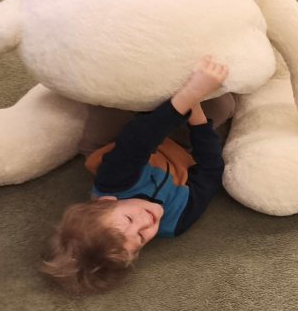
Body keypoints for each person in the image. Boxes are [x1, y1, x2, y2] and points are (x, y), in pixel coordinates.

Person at [41, 57, 231, 294]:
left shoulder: (114, 180)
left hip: (114, 142)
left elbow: (140, 138)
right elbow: (211, 172)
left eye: (129, 219)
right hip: (175, 147)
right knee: (224, 105)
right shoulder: (177, 220)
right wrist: (197, 115)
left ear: (106, 202)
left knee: (107, 95)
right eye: (141, 238)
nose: (146, 222)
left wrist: (189, 95)